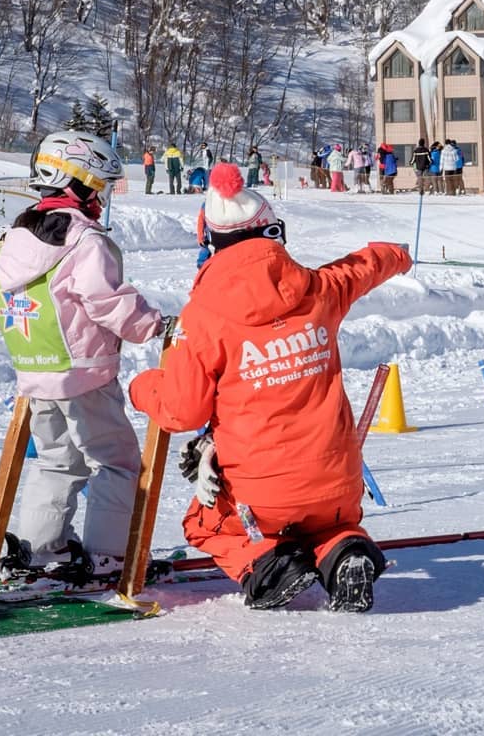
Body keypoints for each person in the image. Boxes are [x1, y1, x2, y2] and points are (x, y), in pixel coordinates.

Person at [129, 163, 412, 612]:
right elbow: (362, 266)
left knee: (205, 524)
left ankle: (268, 564)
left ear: (210, 239)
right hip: (337, 484)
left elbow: (183, 411)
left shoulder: (201, 320)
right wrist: (396, 253)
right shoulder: (319, 290)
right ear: (272, 231)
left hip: (260, 496)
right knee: (326, 523)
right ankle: (346, 551)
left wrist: (142, 386)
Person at [0, 130, 166, 579]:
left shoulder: (14, 237)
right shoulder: (84, 240)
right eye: (99, 188)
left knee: (58, 461)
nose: (101, 200)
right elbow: (107, 300)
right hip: (84, 372)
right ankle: (109, 554)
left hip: (35, 372)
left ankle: (43, 548)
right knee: (118, 462)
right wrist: (155, 326)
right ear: (78, 184)